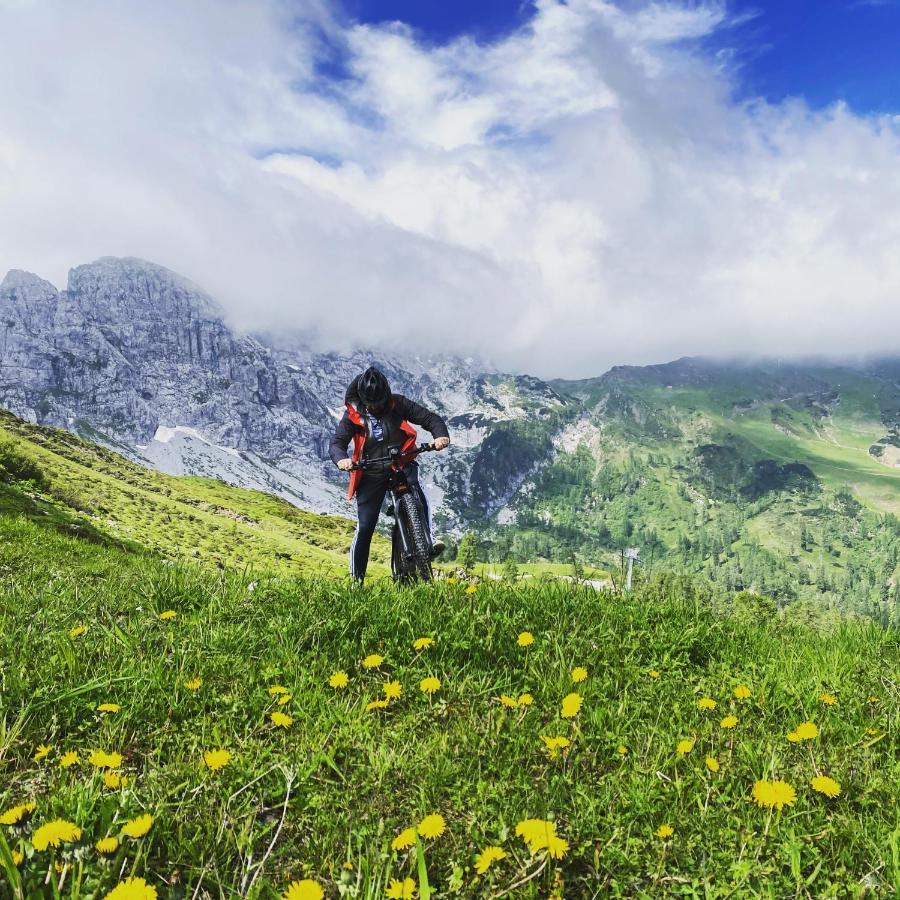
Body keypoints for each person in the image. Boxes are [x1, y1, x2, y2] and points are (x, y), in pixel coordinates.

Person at [330, 365, 450, 582]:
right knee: (366, 526)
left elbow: (430, 418)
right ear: (362, 399)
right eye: (371, 403)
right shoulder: (352, 416)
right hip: (371, 471)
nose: (376, 407)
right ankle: (356, 582)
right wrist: (342, 459)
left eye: (380, 402)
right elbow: (337, 443)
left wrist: (440, 436)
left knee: (417, 494)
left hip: (400, 463)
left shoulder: (398, 403)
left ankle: (428, 540)